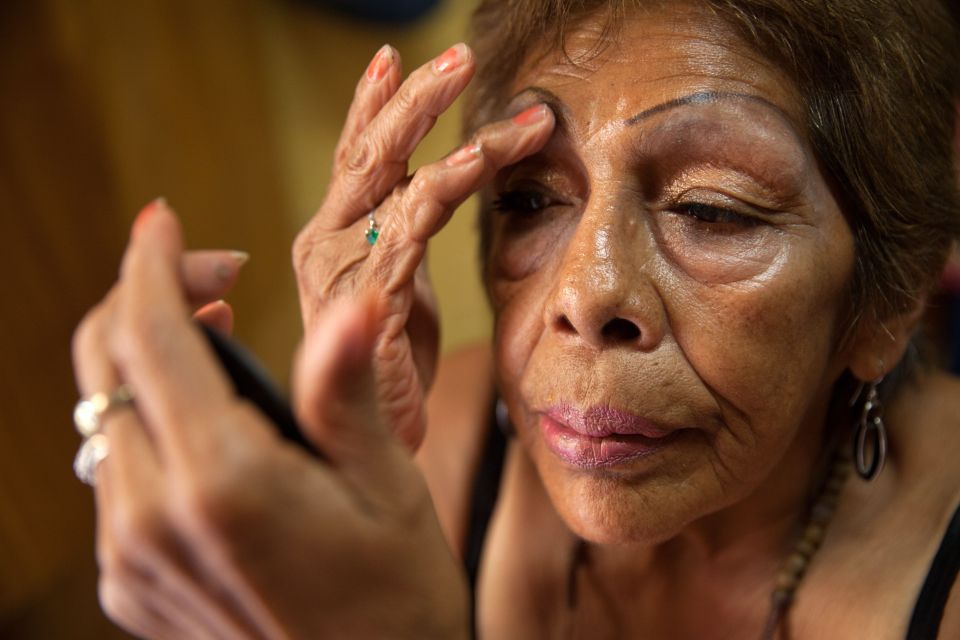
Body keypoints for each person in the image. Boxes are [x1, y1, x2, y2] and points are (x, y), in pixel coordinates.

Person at [70, 0, 960, 637]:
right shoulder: (442, 454)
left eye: (712, 211)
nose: (586, 294)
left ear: (892, 294)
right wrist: (329, 479)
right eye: (531, 198)